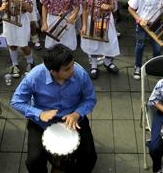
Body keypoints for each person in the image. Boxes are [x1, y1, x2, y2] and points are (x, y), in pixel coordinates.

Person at [11, 44, 98, 173]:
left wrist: (77, 114)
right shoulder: (34, 76)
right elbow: (17, 101)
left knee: (89, 157)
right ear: (53, 72)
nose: (72, 70)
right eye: (67, 69)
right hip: (41, 123)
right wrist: (39, 113)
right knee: (34, 161)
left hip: (74, 120)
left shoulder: (81, 74)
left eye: (72, 65)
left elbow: (90, 99)